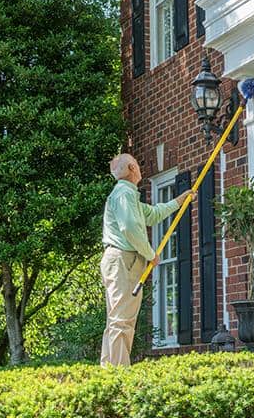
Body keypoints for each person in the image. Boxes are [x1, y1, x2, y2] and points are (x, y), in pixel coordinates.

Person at [100, 153, 194, 366]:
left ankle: (109, 371)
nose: (141, 168)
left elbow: (151, 214)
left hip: (120, 261)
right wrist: (151, 255)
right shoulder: (124, 193)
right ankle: (117, 374)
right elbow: (130, 228)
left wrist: (179, 201)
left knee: (117, 320)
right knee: (122, 321)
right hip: (124, 260)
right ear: (132, 167)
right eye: (138, 164)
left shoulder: (127, 195)